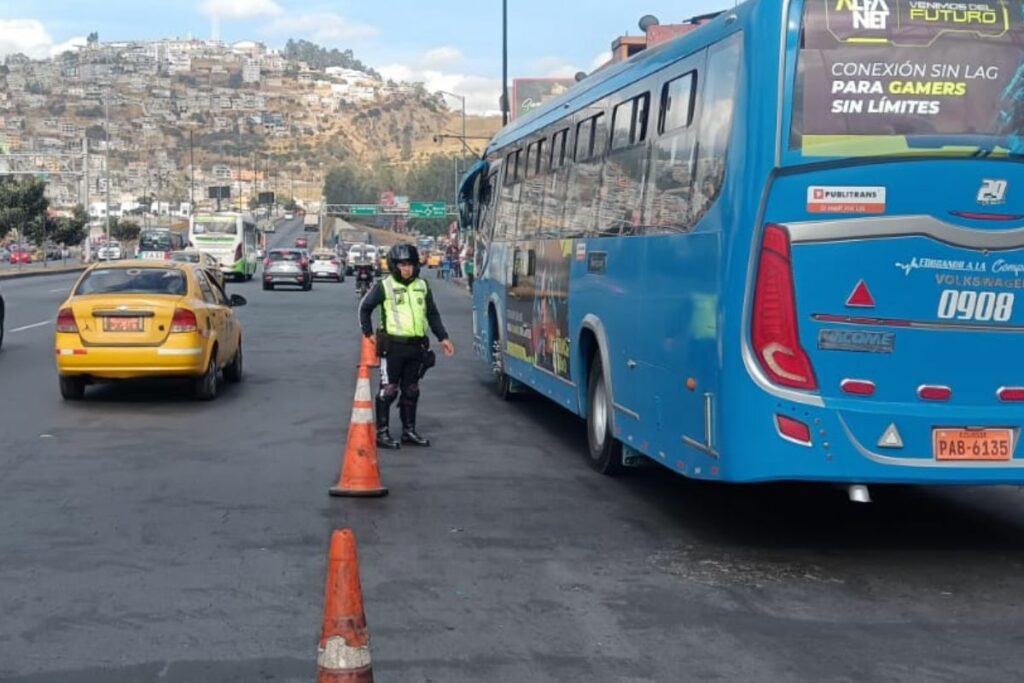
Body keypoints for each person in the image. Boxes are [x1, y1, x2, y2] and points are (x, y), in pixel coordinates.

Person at [359, 243, 455, 448]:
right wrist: (368, 333)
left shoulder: (422, 285)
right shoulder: (385, 286)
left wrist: (443, 338)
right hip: (393, 346)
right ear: (394, 265)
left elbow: (432, 313)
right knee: (389, 390)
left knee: (411, 390)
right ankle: (382, 433)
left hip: (416, 347)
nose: (406, 269)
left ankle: (408, 431)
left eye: (410, 264)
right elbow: (365, 308)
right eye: (402, 264)